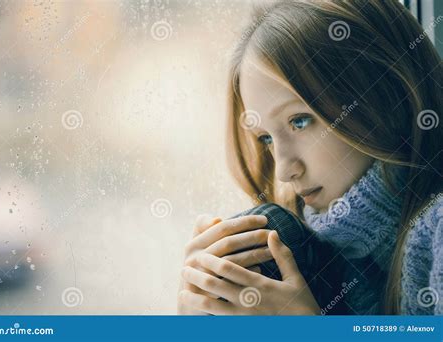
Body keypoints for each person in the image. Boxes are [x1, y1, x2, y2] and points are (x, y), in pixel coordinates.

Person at [177, 0, 442, 315]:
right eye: (266, 139)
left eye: (299, 121)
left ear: (386, 96)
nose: (284, 171)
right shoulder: (316, 262)